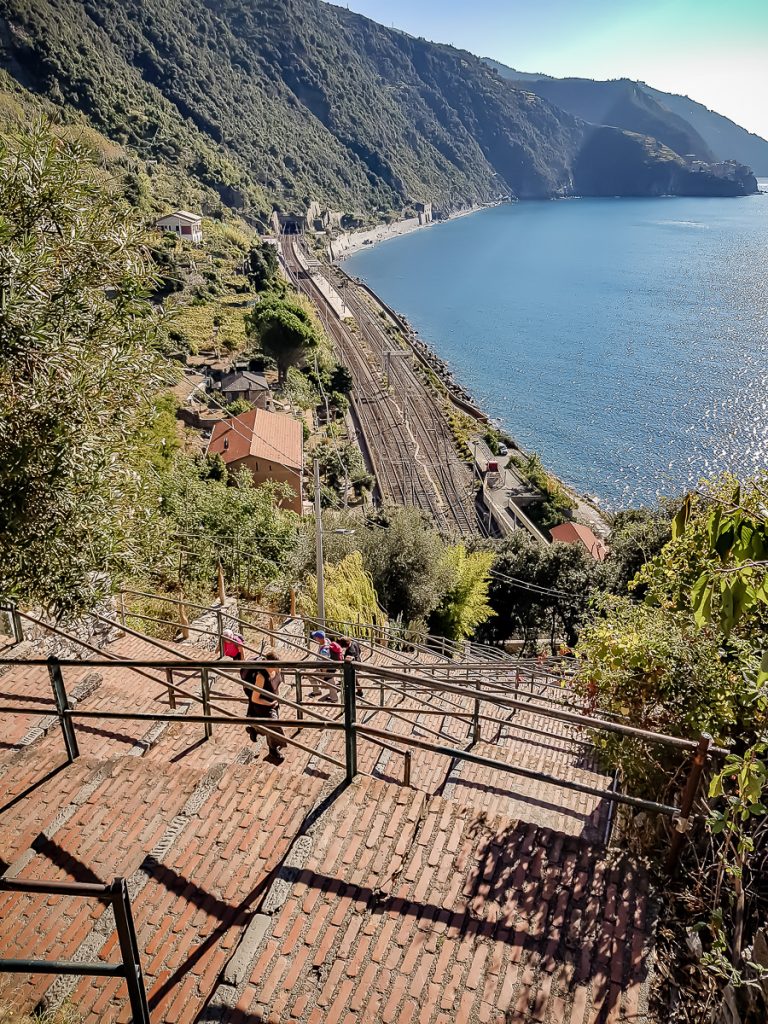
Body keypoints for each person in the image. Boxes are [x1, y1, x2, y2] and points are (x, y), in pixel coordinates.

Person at [240, 648, 288, 764]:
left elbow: (277, 684)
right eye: (275, 665)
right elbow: (255, 698)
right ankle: (273, 751)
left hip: (274, 703)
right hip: (262, 706)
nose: (277, 668)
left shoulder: (277, 669)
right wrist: (271, 703)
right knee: (275, 727)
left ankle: (254, 728)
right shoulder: (261, 677)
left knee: (270, 727)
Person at [308, 630, 342, 701]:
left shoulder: (324, 651)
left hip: (325, 668)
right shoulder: (327, 640)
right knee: (314, 677)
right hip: (330, 667)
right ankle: (317, 691)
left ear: (319, 638)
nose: (314, 638)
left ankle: (334, 698)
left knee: (329, 681)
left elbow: (325, 664)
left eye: (316, 637)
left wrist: (323, 675)